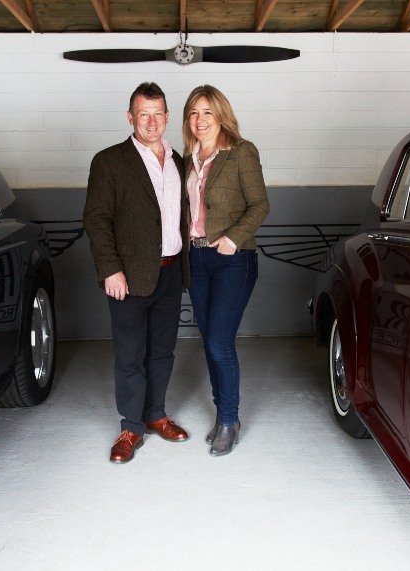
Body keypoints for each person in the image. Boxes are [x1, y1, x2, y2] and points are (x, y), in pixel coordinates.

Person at [83, 82, 191, 464]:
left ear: (167, 116)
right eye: (144, 114)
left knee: (162, 351)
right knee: (130, 355)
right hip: (128, 278)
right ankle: (131, 427)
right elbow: (97, 220)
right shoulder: (109, 161)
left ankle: (155, 414)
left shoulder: (180, 162)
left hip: (171, 272)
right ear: (130, 117)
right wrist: (110, 270)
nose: (152, 121)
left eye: (158, 113)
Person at [181, 85, 269, 456]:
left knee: (219, 342)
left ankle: (230, 419)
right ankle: (223, 415)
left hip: (233, 258)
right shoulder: (188, 159)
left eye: (207, 112)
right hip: (197, 259)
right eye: (193, 113)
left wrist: (233, 238)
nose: (200, 120)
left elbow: (260, 204)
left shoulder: (241, 151)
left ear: (221, 116)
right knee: (210, 342)